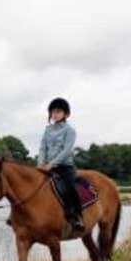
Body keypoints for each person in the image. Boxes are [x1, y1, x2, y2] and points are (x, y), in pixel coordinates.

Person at [37, 97, 84, 232]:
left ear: (66, 114)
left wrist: (52, 164)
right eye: (52, 112)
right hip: (46, 166)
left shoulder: (70, 130)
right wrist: (40, 163)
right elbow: (43, 148)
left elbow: (67, 150)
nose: (55, 114)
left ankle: (76, 216)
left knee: (70, 187)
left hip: (65, 167)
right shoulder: (47, 130)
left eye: (58, 111)